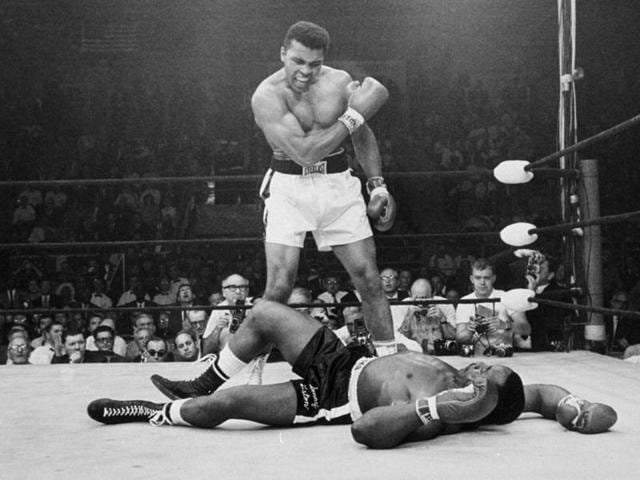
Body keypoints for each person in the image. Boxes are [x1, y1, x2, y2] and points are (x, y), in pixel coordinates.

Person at [87, 300, 617, 448]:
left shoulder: (440, 416)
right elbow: (545, 394)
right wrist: (579, 410)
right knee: (268, 313)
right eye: (484, 362)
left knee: (223, 409)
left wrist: (434, 408)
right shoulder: (493, 390)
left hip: (331, 397)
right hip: (343, 357)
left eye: (483, 373)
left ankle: (157, 413)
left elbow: (365, 432)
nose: (476, 363)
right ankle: (201, 377)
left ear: (480, 400)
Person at [249, 20, 397, 359]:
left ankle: (389, 364)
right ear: (283, 53)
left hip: (338, 184)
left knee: (369, 279)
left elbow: (362, 135)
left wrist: (377, 186)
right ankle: (252, 369)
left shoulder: (339, 81)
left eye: (314, 64)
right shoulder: (267, 96)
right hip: (288, 186)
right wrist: (354, 114)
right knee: (278, 287)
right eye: (298, 61)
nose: (305, 71)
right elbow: (303, 153)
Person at [455, 259, 531, 356]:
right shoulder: (464, 301)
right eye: (478, 278)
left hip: (503, 356)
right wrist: (470, 330)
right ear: (471, 279)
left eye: (486, 278)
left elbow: (526, 328)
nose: (482, 282)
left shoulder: (507, 297)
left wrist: (505, 325)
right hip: (475, 357)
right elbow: (459, 338)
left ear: (493, 278)